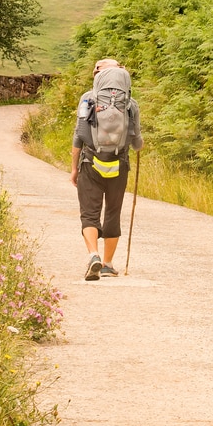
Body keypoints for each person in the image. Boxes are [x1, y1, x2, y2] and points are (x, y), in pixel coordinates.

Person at [70, 58, 143, 280]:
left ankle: (94, 255)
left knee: (89, 213)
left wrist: (74, 168)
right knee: (113, 212)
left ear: (97, 76)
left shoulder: (87, 99)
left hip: (90, 163)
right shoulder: (130, 104)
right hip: (119, 164)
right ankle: (108, 264)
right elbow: (137, 142)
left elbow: (79, 136)